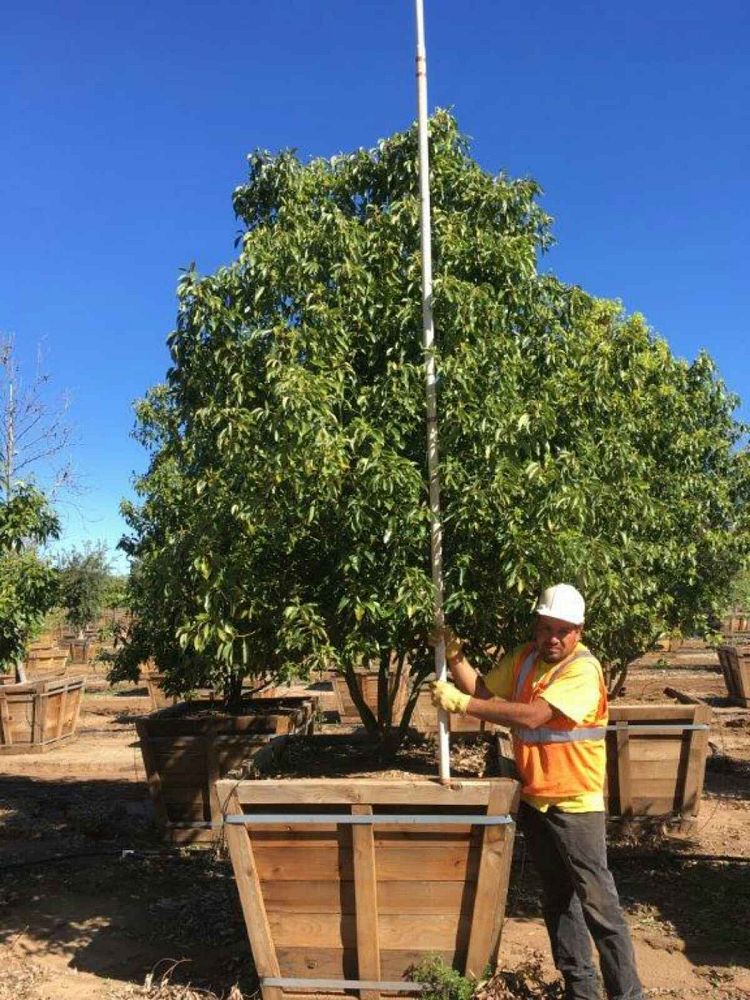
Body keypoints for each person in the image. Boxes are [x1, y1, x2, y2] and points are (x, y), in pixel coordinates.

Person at [431, 583, 644, 1000]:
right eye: (545, 627)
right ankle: (580, 990)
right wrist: (454, 656)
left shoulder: (583, 669)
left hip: (576, 803)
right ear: (536, 625)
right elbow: (483, 692)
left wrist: (461, 706)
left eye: (562, 630)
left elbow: (531, 716)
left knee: (600, 907)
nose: (552, 637)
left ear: (578, 631)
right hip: (536, 798)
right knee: (558, 899)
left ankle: (628, 995)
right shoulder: (526, 657)